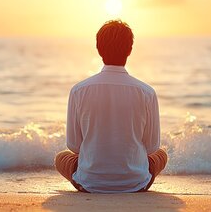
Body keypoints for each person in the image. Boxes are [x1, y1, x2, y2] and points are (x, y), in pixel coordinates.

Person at [54, 20, 168, 193]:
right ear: (130, 50)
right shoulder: (147, 92)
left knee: (61, 157)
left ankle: (96, 173)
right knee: (162, 155)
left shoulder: (79, 90)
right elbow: (152, 146)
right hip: (136, 183)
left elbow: (74, 145)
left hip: (89, 183)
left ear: (98, 49)